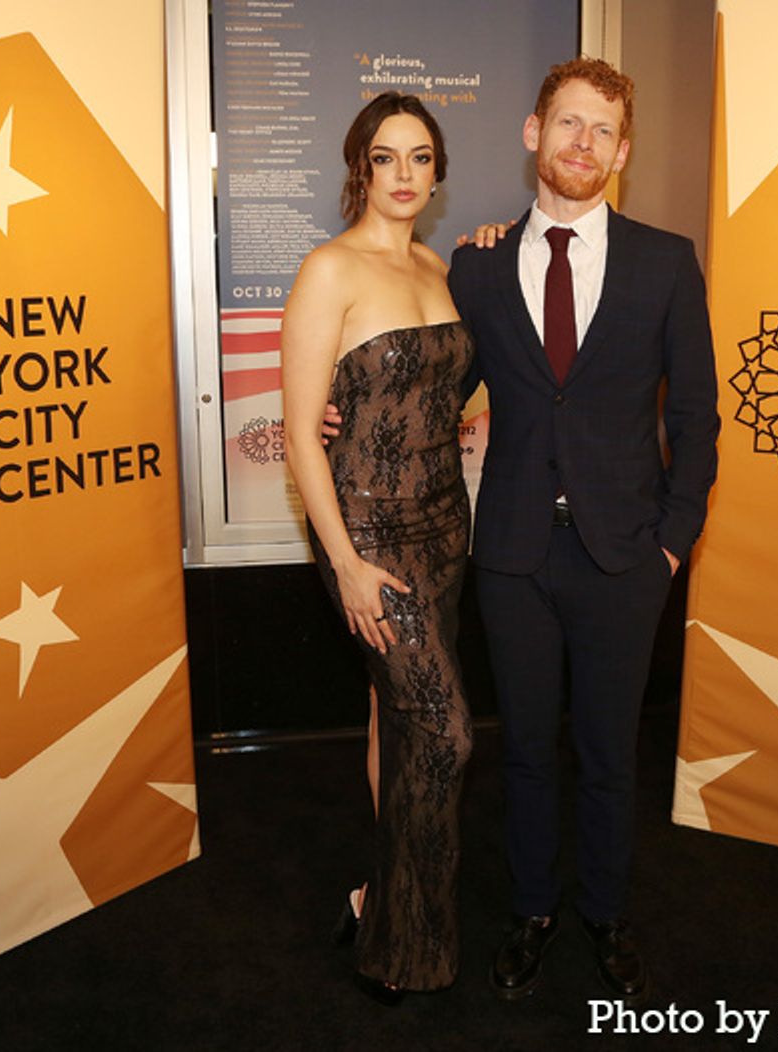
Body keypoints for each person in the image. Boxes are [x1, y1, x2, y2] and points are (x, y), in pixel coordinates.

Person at [448, 57, 719, 1004]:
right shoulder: (478, 265)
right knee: (524, 748)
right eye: (568, 122)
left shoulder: (665, 261)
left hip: (625, 556)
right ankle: (532, 910)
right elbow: (436, 390)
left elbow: (697, 417)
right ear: (534, 132)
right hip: (512, 556)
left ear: (623, 151)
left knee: (608, 753)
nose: (583, 143)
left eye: (603, 130)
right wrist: (342, 415)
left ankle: (605, 911)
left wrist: (672, 542)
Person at [281, 92, 473, 1006]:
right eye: (387, 156)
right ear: (361, 167)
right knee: (447, 734)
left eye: (420, 157)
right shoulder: (329, 269)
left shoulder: (440, 265)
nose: (404, 174)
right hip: (367, 536)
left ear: (437, 172)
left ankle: (377, 897)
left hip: (445, 529)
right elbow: (299, 435)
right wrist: (349, 565)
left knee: (398, 720)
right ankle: (404, 940)